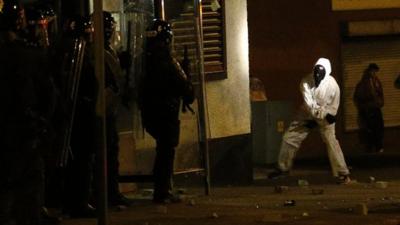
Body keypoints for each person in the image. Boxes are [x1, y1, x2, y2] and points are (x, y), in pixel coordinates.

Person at [0, 0, 56, 224]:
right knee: (28, 186)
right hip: (24, 132)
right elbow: (46, 97)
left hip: (10, 132)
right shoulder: (28, 56)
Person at [268, 58, 351, 184]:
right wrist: (314, 119)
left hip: (325, 116)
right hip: (307, 114)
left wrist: (320, 119)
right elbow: (309, 105)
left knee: (331, 142)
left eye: (320, 73)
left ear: (326, 73)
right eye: (316, 72)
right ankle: (283, 168)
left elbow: (333, 108)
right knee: (289, 138)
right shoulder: (305, 82)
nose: (317, 76)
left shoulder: (333, 86)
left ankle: (342, 173)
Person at [140, 19, 195, 203]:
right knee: (166, 152)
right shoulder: (167, 61)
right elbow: (184, 86)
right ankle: (162, 191)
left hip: (150, 112)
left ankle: (162, 189)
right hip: (166, 112)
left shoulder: (143, 59)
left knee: (163, 150)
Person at [102, 11, 132, 207]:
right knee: (106, 155)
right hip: (102, 111)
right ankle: (108, 193)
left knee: (111, 153)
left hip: (109, 110)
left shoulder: (107, 51)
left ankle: (111, 191)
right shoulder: (97, 52)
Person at [353, 63, 384, 153]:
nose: (374, 73)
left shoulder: (376, 81)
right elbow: (359, 96)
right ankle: (370, 147)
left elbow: (380, 93)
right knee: (370, 128)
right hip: (368, 109)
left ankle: (378, 146)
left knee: (378, 127)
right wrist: (363, 107)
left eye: (375, 71)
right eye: (373, 71)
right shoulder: (364, 82)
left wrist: (380, 102)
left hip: (375, 107)